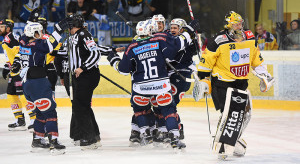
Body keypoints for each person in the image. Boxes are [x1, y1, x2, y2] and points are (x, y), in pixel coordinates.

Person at [197, 11, 274, 159]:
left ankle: (232, 141)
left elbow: (255, 58)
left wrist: (264, 74)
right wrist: (203, 79)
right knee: (231, 114)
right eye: (235, 23)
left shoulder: (250, 38)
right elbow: (206, 61)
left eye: (240, 23)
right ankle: (222, 146)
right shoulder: (218, 40)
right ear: (228, 24)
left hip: (241, 83)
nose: (239, 26)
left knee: (245, 115)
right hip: (222, 84)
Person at [108, 19, 194, 148]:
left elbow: (123, 70)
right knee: (168, 110)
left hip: (141, 87)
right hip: (161, 85)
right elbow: (177, 46)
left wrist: (112, 58)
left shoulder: (132, 46)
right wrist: (189, 31)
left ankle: (146, 134)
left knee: (140, 110)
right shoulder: (159, 40)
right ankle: (174, 139)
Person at [13, 22, 65, 154]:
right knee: (50, 112)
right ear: (34, 33)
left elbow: (26, 37)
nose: (41, 34)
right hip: (38, 82)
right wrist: (58, 31)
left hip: (27, 83)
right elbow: (50, 44)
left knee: (40, 112)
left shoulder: (23, 42)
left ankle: (37, 139)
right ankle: (54, 141)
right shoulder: (37, 45)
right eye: (39, 32)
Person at [57, 14, 102, 149]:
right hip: (78, 76)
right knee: (81, 105)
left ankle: (89, 139)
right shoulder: (72, 38)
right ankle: (91, 135)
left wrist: (83, 67)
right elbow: (62, 53)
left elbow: (96, 53)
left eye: (69, 25)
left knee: (80, 106)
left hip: (87, 75)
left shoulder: (84, 34)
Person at [0, 19, 36, 131]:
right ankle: (20, 120)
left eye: (2, 27)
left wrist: (16, 62)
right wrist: (7, 66)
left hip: (19, 72)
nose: (0, 29)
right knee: (11, 95)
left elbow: (19, 52)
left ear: (8, 28)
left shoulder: (11, 38)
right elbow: (9, 55)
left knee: (24, 96)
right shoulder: (6, 39)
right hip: (13, 72)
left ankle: (34, 119)